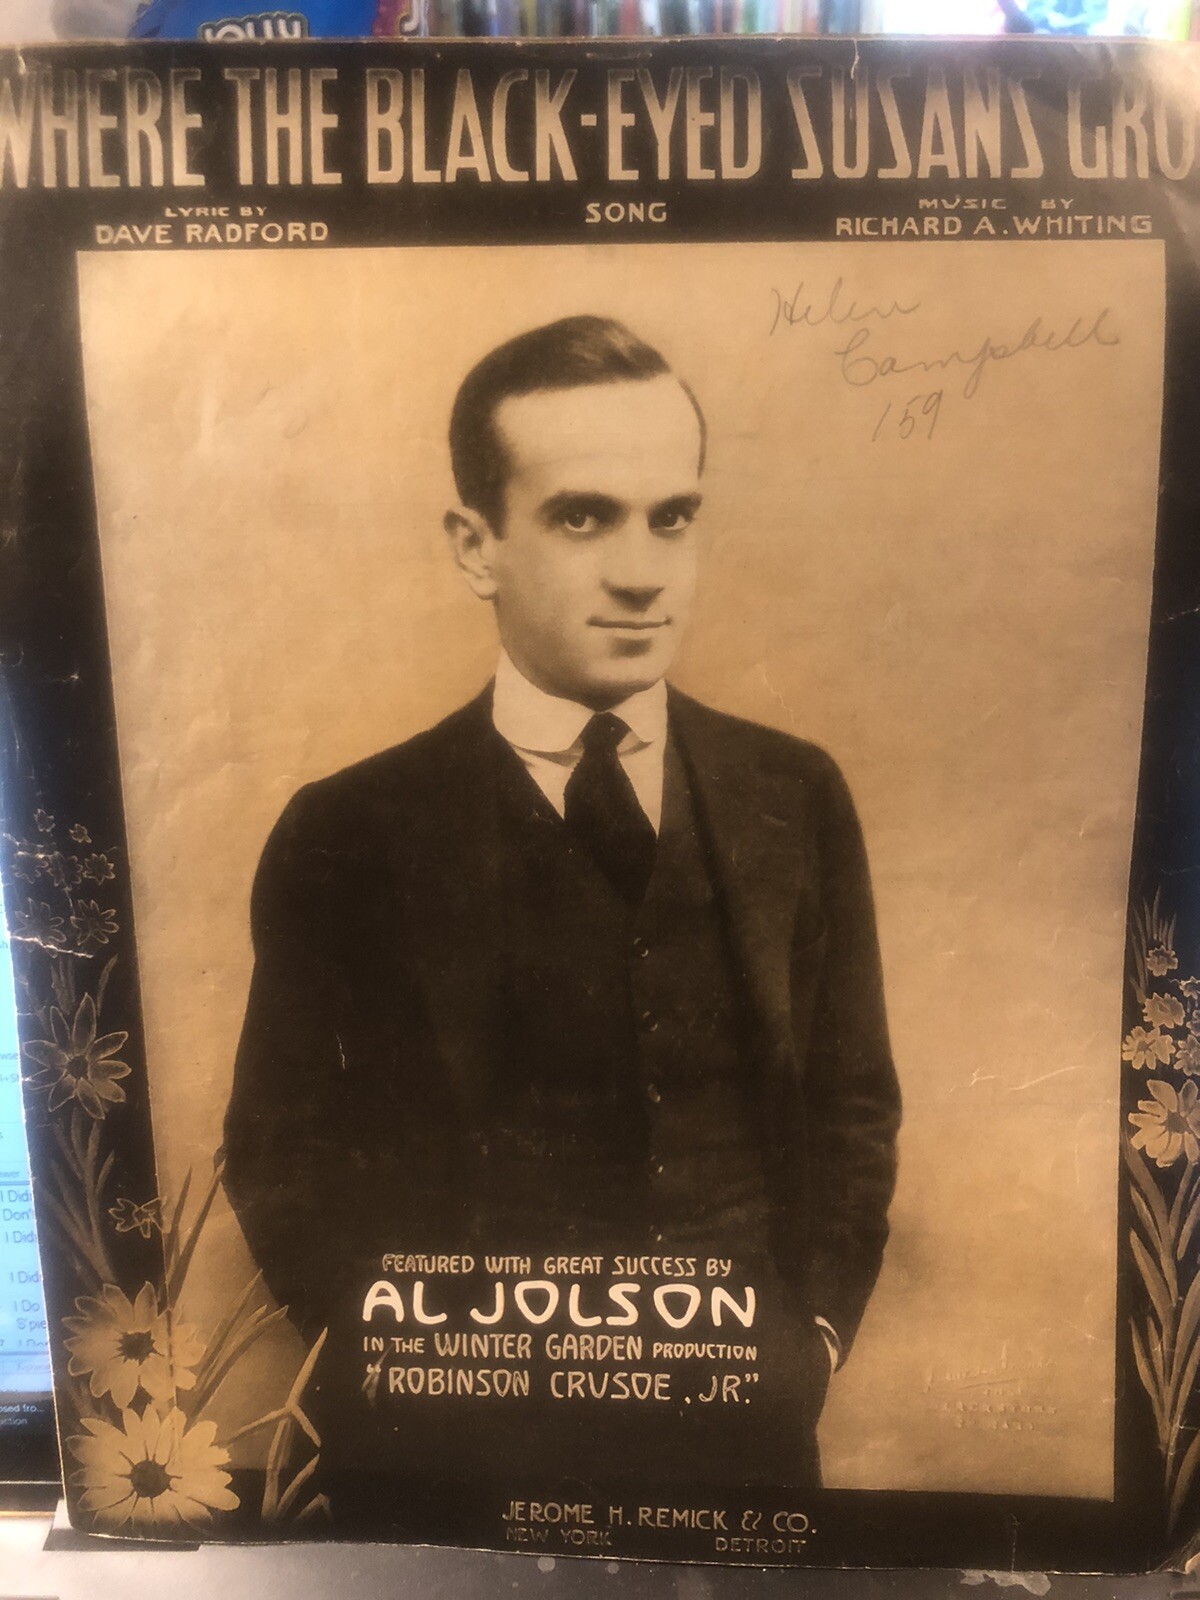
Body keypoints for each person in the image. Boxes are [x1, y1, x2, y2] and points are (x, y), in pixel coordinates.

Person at [223, 314, 901, 1501]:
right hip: (446, 1461)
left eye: (671, 517)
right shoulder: (346, 829)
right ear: (475, 546)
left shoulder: (793, 794)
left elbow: (851, 1103)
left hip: (741, 1444)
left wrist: (816, 1340)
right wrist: (390, 1359)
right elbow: (279, 1144)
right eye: (582, 517)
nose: (642, 572)